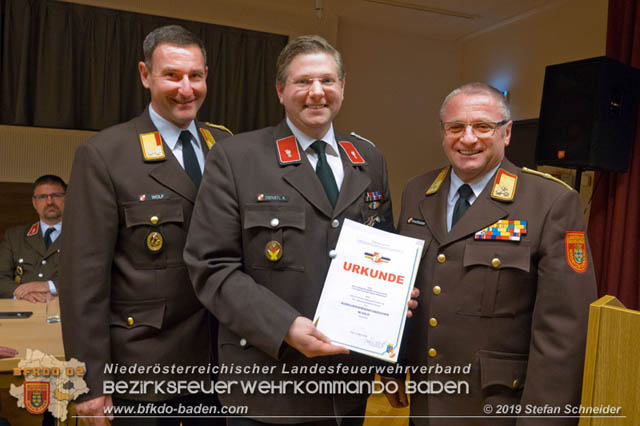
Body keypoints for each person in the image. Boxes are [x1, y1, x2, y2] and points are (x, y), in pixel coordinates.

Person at [184, 35, 395, 425]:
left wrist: (395, 297)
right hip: (268, 382)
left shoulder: (368, 158)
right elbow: (211, 265)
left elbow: (383, 250)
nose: (317, 92)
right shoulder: (237, 157)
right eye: (302, 82)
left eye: (328, 81)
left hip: (345, 383)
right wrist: (284, 327)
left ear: (343, 88)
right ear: (281, 91)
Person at [384, 83, 598, 426]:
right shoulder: (418, 191)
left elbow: (564, 331)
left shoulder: (550, 202)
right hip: (426, 406)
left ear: (507, 132)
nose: (467, 139)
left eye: (482, 126)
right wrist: (394, 365)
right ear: (443, 133)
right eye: (456, 127)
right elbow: (406, 290)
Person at [58, 25, 232, 426]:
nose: (186, 89)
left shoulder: (224, 147)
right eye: (171, 75)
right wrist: (90, 383)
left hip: (219, 364)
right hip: (145, 368)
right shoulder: (106, 154)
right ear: (144, 75)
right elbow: (83, 280)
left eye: (195, 76)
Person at [0, 175, 66, 302]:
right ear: (34, 203)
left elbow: (92, 278)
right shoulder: (14, 237)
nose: (49, 202)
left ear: (67, 199)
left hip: (64, 311)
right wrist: (22, 293)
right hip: (21, 309)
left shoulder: (82, 237)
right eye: (42, 197)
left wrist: (48, 285)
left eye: (56, 195)